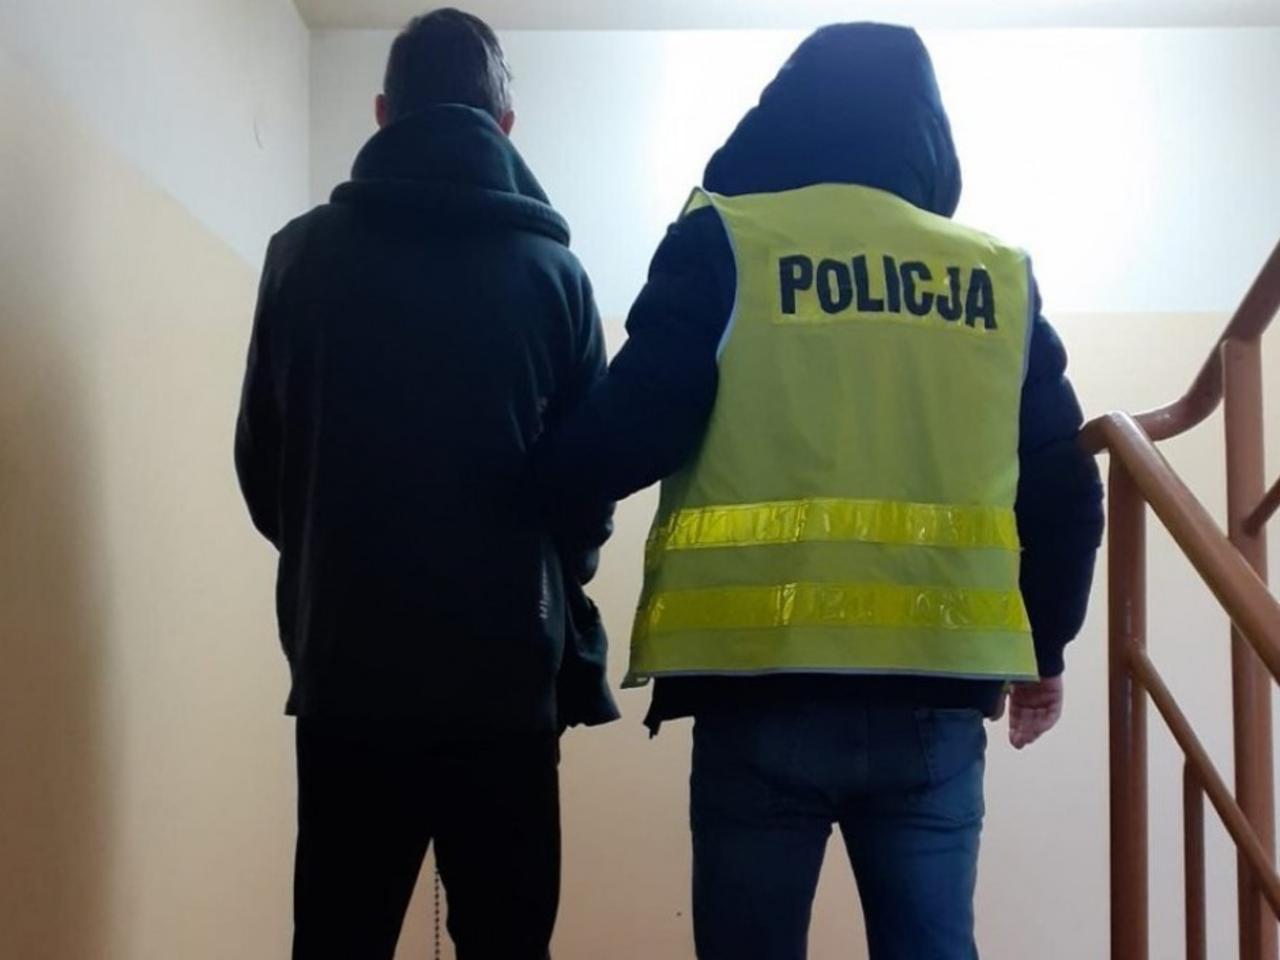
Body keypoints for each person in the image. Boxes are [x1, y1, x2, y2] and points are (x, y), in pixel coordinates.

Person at [533, 23, 1105, 960]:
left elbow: (628, 431)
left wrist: (524, 485)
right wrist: (1046, 649)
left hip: (759, 689)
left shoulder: (729, 243)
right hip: (935, 699)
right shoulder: (996, 277)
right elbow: (1065, 486)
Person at [234, 9, 616, 959]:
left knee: (338, 941)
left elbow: (263, 465)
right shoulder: (558, 277)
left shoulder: (300, 255)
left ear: (381, 113)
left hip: (347, 672)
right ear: (506, 126)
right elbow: (588, 490)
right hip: (507, 683)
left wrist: (334, 556)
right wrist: (545, 578)